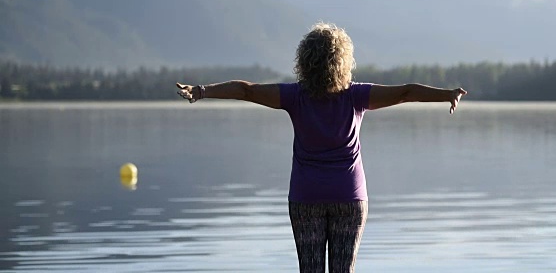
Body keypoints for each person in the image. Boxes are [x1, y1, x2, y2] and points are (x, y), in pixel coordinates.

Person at [176, 22, 467, 273]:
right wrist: (447, 94)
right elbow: (405, 93)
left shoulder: (293, 96)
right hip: (349, 197)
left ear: (305, 60)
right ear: (343, 61)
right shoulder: (357, 96)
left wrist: (202, 91)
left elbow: (246, 90)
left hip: (306, 197)